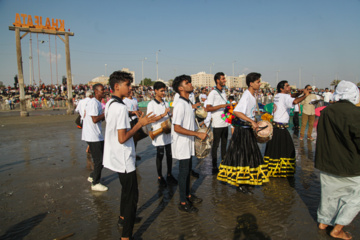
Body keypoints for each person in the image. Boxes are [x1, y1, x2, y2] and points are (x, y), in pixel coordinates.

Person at [103, 71, 156, 240]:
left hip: (116, 157)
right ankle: (126, 236)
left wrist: (134, 120)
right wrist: (140, 124)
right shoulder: (119, 107)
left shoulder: (110, 103)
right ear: (117, 86)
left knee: (126, 192)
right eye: (128, 85)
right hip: (124, 158)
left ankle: (123, 218)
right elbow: (122, 138)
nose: (130, 88)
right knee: (132, 196)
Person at [315, 80, 360, 240]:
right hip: (350, 164)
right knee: (355, 199)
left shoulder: (326, 111)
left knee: (329, 195)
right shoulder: (355, 113)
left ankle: (323, 222)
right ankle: (338, 228)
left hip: (327, 162)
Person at [217, 72, 269, 194]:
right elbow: (237, 112)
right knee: (241, 156)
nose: (260, 84)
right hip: (242, 131)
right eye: (258, 82)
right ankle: (240, 184)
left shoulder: (252, 96)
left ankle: (245, 181)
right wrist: (252, 121)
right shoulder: (246, 95)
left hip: (248, 130)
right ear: (251, 83)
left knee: (248, 156)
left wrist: (254, 119)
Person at [172, 75, 207, 213]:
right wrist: (197, 134)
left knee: (187, 172)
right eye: (187, 83)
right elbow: (177, 127)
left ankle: (188, 195)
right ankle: (182, 202)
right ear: (181, 88)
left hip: (188, 142)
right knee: (183, 172)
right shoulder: (180, 104)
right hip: (181, 144)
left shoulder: (187, 103)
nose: (191, 84)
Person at [263, 81, 309, 178]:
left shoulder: (278, 95)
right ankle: (283, 171)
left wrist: (299, 93)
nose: (289, 87)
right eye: (287, 86)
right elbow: (295, 101)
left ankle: (272, 169)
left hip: (276, 126)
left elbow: (292, 96)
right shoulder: (285, 97)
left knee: (275, 149)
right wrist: (305, 95)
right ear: (281, 88)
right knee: (287, 149)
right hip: (281, 127)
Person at [147, 81, 177, 187]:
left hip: (168, 132)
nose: (164, 93)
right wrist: (163, 114)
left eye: (164, 90)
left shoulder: (165, 102)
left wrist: (170, 114)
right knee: (160, 155)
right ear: (155, 91)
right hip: (158, 133)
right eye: (162, 91)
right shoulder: (151, 104)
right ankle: (160, 176)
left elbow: (167, 115)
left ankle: (169, 174)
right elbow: (150, 119)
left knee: (169, 154)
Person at [81, 84, 107, 191]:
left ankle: (92, 176)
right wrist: (106, 113)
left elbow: (98, 120)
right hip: (92, 136)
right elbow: (95, 119)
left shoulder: (98, 103)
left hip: (97, 135)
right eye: (102, 90)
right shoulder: (93, 103)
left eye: (104, 90)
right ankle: (95, 183)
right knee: (99, 160)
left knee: (104, 159)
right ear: (96, 91)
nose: (104, 92)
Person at [206, 72, 230, 174]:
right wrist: (220, 106)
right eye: (223, 79)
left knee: (224, 144)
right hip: (217, 124)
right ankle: (214, 166)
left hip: (225, 122)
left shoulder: (223, 92)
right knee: (215, 145)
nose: (225, 80)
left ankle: (223, 164)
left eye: (224, 79)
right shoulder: (213, 93)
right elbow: (208, 108)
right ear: (217, 80)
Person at [123, 91, 142, 160]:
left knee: (136, 138)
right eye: (130, 91)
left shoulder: (134, 100)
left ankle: (134, 153)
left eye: (132, 91)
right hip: (130, 120)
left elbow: (137, 109)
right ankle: (129, 154)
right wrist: (134, 112)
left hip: (135, 120)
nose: (131, 92)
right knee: (130, 138)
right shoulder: (124, 101)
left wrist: (139, 113)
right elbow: (125, 112)